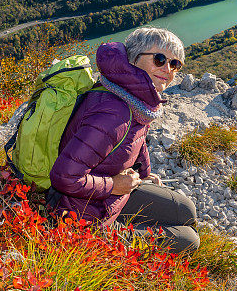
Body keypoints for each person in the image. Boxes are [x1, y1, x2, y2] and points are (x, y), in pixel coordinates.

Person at [48, 27, 200, 254]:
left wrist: (146, 174)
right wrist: (115, 185)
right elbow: (63, 177)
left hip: (106, 197)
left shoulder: (131, 95)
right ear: (134, 58)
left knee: (185, 210)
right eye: (159, 59)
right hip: (84, 220)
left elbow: (136, 137)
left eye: (175, 64)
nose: (167, 70)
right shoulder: (113, 113)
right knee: (189, 240)